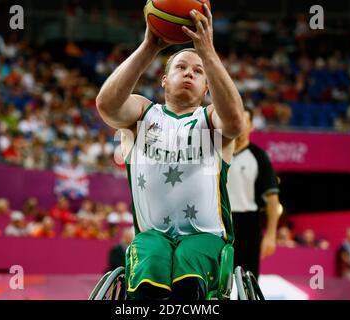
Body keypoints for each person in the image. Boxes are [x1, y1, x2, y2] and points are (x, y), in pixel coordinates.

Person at [96, 4, 245, 300]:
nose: (189, 72)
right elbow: (106, 105)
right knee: (150, 257)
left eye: (198, 71)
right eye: (180, 67)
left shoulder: (212, 118)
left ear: (206, 87)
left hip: (205, 238)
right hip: (152, 236)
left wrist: (208, 52)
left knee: (189, 263)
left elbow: (235, 122)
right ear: (164, 79)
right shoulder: (141, 113)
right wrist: (149, 46)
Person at [227, 108, 281, 279]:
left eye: (244, 121)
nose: (239, 125)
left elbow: (272, 200)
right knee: (217, 281)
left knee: (247, 280)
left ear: (251, 126)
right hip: (219, 223)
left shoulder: (259, 157)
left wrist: (271, 235)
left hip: (248, 224)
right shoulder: (217, 153)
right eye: (236, 120)